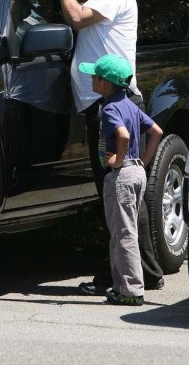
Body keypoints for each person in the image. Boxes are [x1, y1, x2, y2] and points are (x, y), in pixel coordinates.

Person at [46, 0, 166, 295]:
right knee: (119, 194)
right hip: (105, 106)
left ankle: (125, 277)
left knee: (117, 195)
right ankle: (145, 271)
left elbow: (77, 18)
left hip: (114, 104)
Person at [78, 54, 163, 306]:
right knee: (122, 232)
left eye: (95, 76)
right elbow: (156, 131)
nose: (92, 79)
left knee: (124, 233)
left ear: (106, 84)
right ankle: (119, 287)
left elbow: (123, 136)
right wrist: (142, 162)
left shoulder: (110, 108)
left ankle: (132, 291)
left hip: (122, 175)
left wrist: (118, 160)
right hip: (136, 172)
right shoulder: (129, 104)